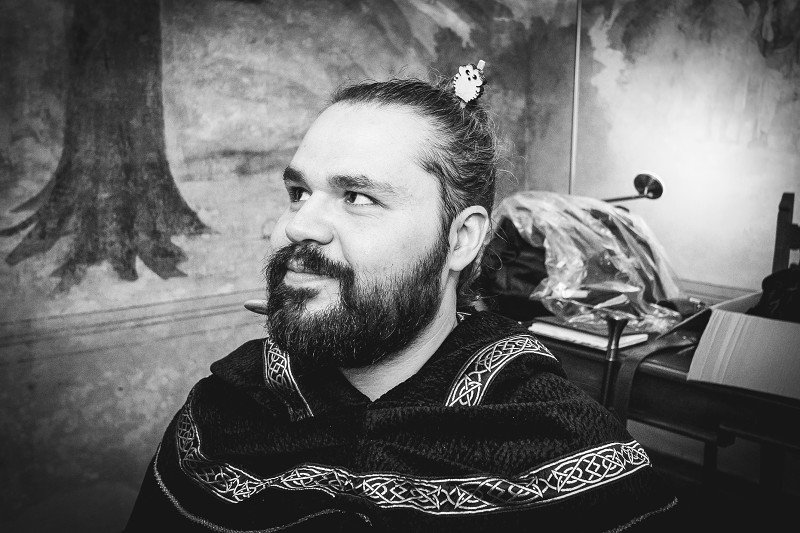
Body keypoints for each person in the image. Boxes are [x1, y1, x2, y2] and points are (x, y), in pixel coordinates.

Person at [124, 62, 678, 532]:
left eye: (358, 197)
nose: (295, 227)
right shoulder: (222, 414)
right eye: (298, 192)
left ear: (460, 240)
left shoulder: (566, 449)